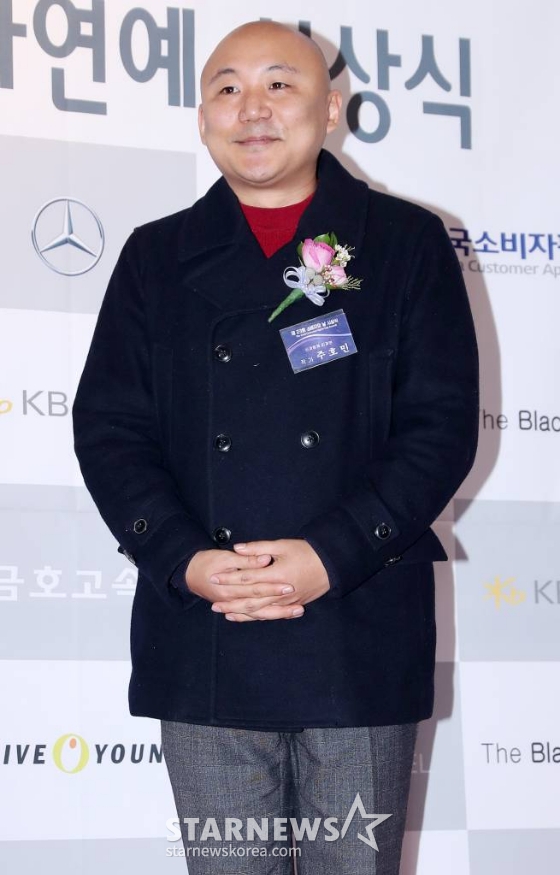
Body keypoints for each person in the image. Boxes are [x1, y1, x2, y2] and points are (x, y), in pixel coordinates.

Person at [72, 19, 479, 875]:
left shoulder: (404, 243)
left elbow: (439, 426)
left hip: (356, 624)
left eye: (279, 84)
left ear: (330, 109)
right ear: (202, 118)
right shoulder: (155, 256)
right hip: (208, 629)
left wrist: (331, 554)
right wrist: (184, 559)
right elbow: (110, 428)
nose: (251, 108)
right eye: (227, 88)